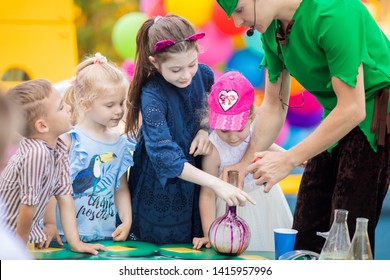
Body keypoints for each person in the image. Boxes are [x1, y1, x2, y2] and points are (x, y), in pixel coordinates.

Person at [216, 0, 390, 255]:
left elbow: (354, 108)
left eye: (239, 11)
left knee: (347, 231)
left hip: (378, 114)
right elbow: (275, 105)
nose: (238, 23)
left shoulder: (335, 13)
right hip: (337, 114)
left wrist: (288, 159)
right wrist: (243, 164)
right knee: (306, 229)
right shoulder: (272, 30)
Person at [124, 14, 255, 244]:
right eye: (175, 70)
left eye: (191, 65)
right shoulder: (152, 93)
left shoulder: (204, 75)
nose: (185, 75)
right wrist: (215, 183)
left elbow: (211, 113)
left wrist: (205, 131)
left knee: (192, 248)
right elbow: (165, 157)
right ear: (155, 63)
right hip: (159, 189)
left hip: (195, 184)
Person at [0, 79, 106, 255]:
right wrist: (18, 254)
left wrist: (76, 242)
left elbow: (64, 196)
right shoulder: (36, 154)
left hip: (19, 238)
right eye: (61, 107)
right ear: (42, 126)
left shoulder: (59, 148)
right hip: (9, 237)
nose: (69, 108)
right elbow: (27, 207)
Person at [192, 71, 293, 251]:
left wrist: (289, 156)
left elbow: (266, 145)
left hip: (265, 200)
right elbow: (207, 193)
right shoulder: (214, 149)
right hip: (230, 209)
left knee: (268, 249)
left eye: (239, 128)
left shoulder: (256, 130)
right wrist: (209, 233)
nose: (232, 137)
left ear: (251, 118)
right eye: (224, 130)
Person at [53, 53, 136, 243]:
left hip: (105, 236)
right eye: (109, 105)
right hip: (64, 237)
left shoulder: (121, 143)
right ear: (85, 104)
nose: (119, 110)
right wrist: (49, 224)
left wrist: (127, 220)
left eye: (122, 103)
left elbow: (121, 188)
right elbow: (51, 186)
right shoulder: (69, 140)